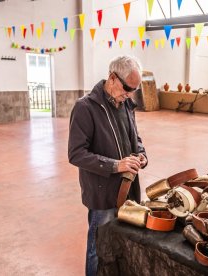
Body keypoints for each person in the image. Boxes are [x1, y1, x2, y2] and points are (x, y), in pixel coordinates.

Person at [68, 55, 148, 276]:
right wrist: (115, 165)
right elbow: (76, 154)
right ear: (112, 77)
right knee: (98, 247)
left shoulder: (126, 105)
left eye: (134, 89)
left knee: (121, 242)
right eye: (127, 88)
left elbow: (136, 139)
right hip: (102, 194)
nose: (130, 94)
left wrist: (141, 154)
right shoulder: (85, 108)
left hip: (128, 190)